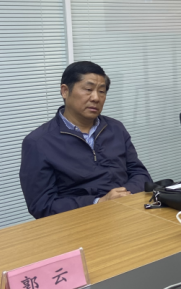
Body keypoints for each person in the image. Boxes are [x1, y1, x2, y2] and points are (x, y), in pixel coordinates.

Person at [20, 61, 151, 219]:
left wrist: (124, 195)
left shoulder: (115, 128)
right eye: (88, 90)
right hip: (77, 223)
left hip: (126, 213)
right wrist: (99, 203)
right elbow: (41, 205)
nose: (96, 98)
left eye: (101, 91)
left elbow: (140, 174)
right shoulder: (38, 142)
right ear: (65, 91)